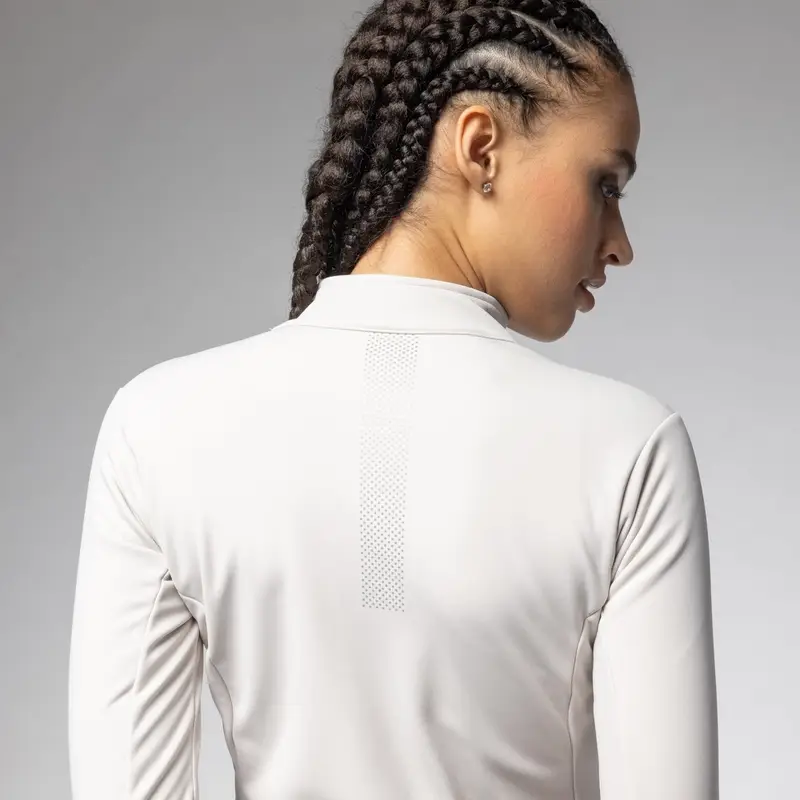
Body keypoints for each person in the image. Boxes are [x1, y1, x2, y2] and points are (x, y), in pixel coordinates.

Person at [68, 1, 719, 798]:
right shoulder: (630, 451)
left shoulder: (156, 429)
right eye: (605, 183)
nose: (620, 243)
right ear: (481, 146)